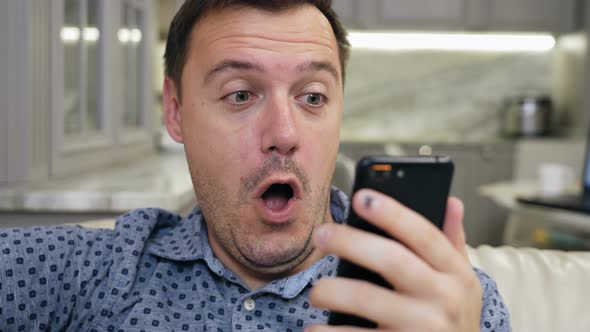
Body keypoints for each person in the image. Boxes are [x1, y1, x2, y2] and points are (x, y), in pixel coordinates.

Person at [0, 0, 511, 331]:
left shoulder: (447, 305)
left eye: (312, 97)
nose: (285, 134)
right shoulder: (83, 272)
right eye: (241, 94)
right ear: (175, 112)